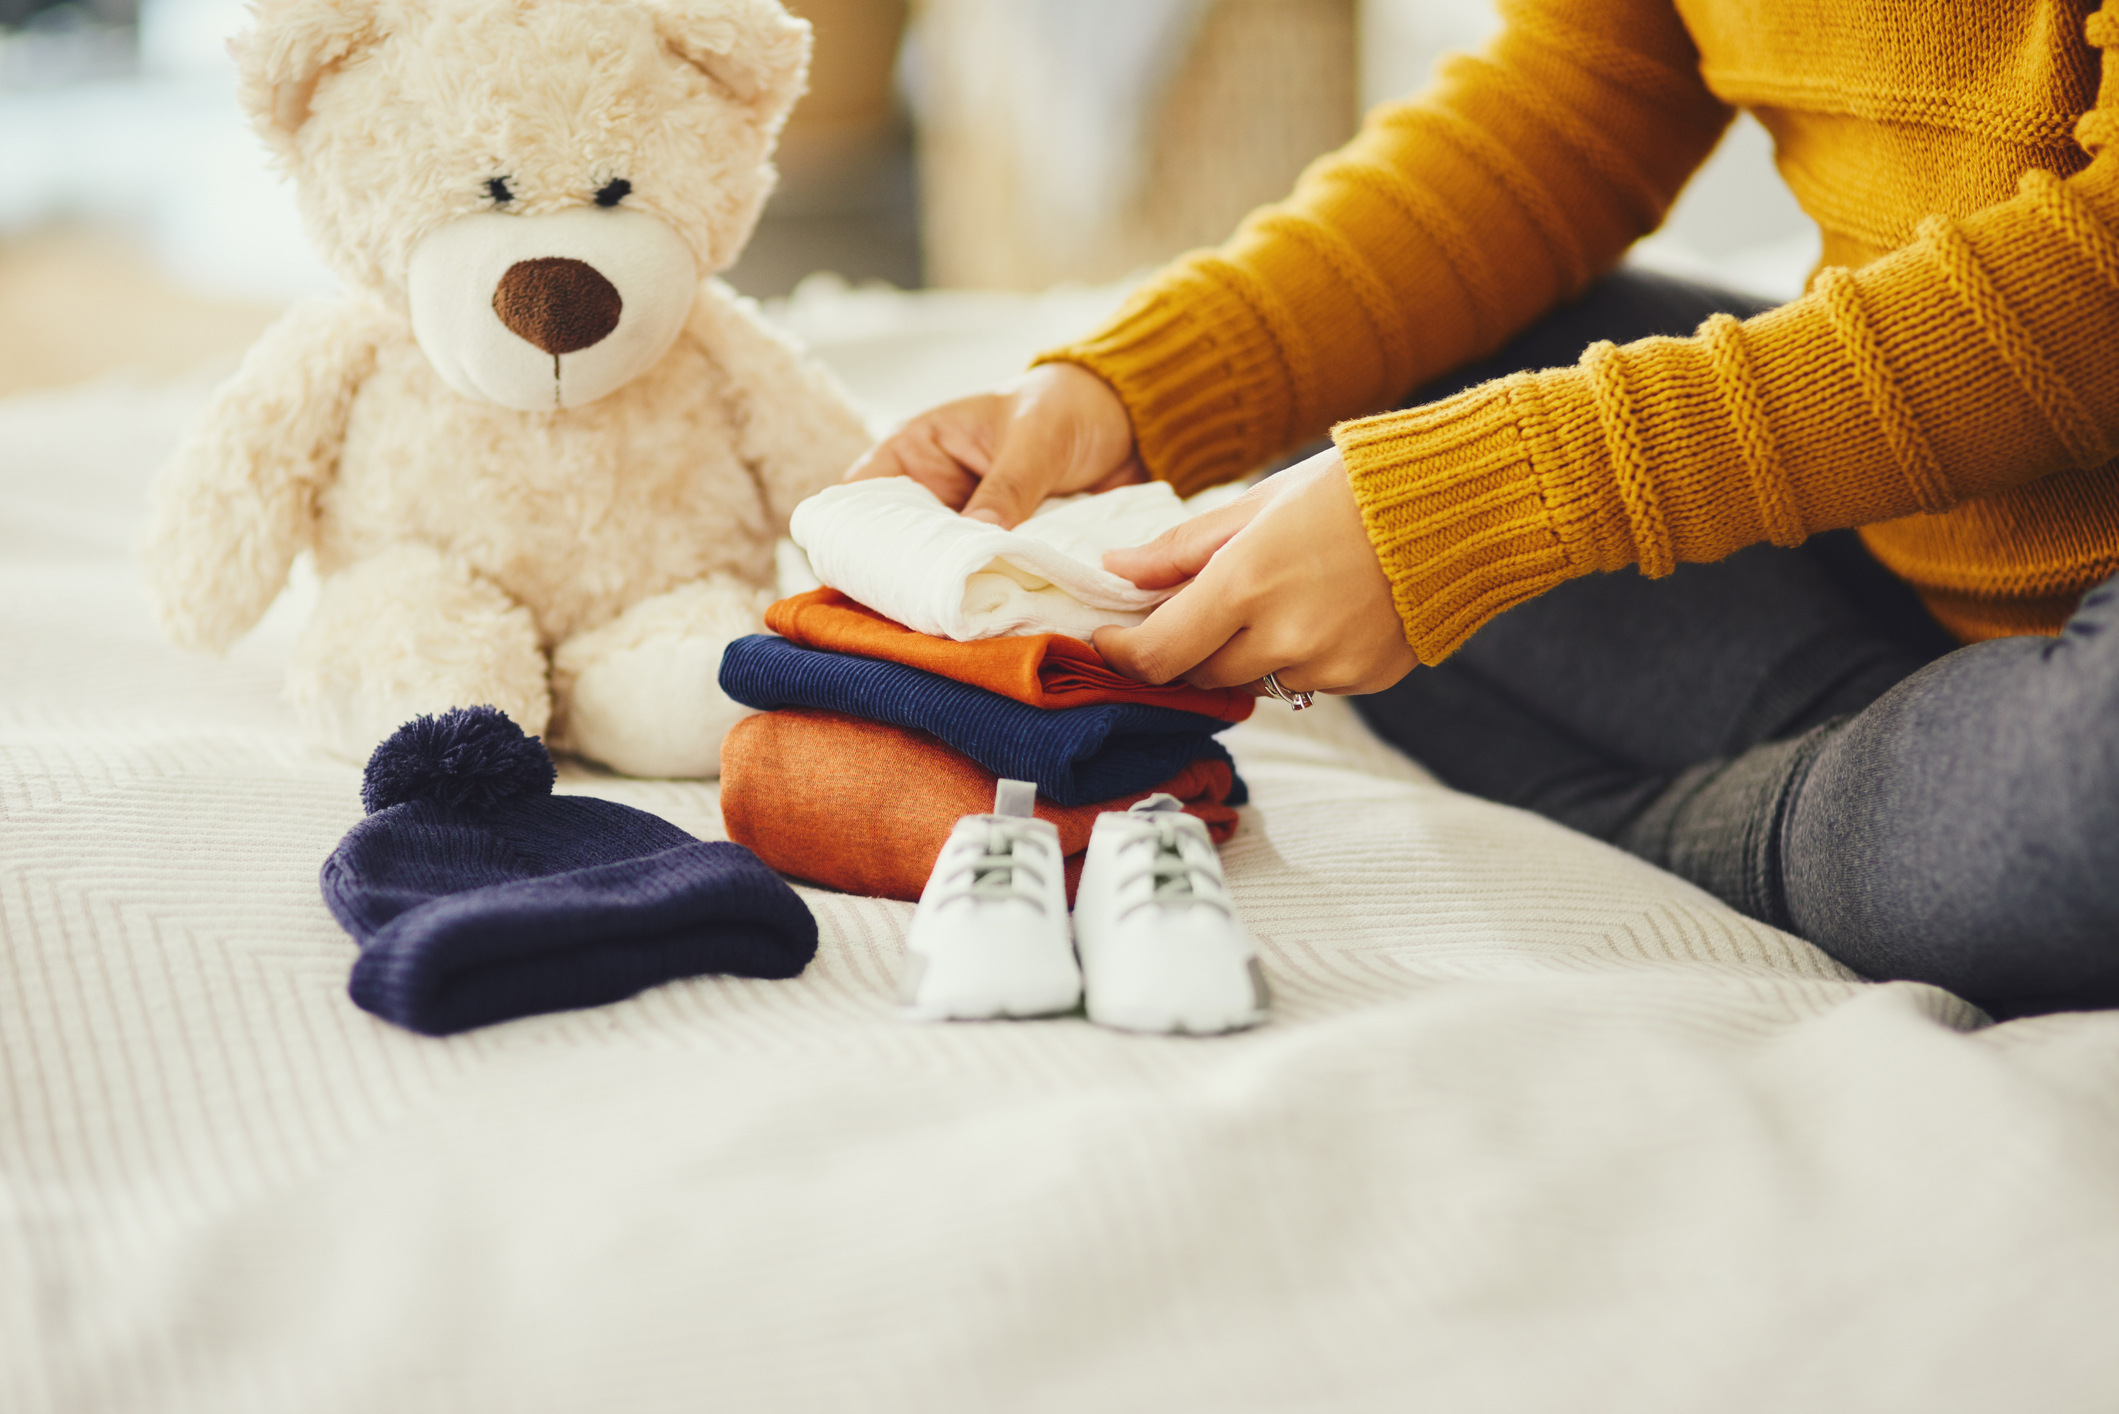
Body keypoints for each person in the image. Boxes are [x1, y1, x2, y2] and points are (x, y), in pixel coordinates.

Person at [846, 0, 2119, 1019]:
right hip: (1911, 545)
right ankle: (1914, 794)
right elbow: (1571, 97)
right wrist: (1119, 388)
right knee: (1382, 391)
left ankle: (1750, 827)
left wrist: (1498, 497)